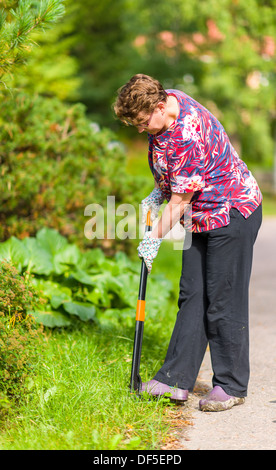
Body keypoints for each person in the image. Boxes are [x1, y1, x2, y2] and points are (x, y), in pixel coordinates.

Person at [113, 74, 262, 412]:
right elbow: (175, 174)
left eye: (141, 122)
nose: (139, 130)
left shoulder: (186, 130)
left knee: (223, 299)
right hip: (200, 215)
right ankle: (175, 379)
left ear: (160, 106)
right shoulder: (167, 107)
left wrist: (152, 239)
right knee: (192, 293)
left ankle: (231, 385)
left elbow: (180, 200)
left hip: (233, 212)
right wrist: (158, 191)